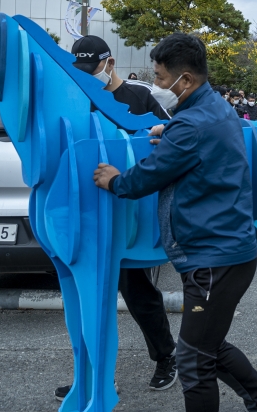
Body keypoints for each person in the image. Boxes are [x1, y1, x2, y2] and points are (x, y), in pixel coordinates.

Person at [93, 33, 257, 412]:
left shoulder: (191, 125)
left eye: (158, 78)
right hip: (226, 253)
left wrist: (115, 180)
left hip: (213, 261)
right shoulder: (215, 109)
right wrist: (169, 131)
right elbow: (194, 141)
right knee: (208, 347)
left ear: (184, 80)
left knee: (192, 360)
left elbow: (146, 178)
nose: (156, 85)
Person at [55, 35, 175, 401]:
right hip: (88, 211)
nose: (91, 77)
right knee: (88, 294)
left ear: (109, 64)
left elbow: (172, 136)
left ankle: (166, 357)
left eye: (95, 70)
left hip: (129, 209)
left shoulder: (139, 98)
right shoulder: (79, 97)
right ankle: (92, 378)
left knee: (136, 289)